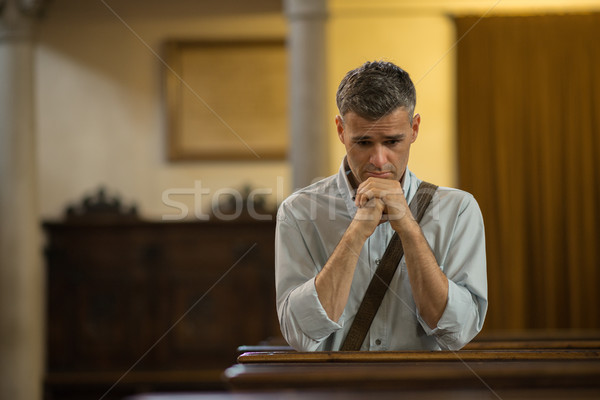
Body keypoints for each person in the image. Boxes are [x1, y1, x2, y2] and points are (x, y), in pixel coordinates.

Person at [275, 61, 487, 351]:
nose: (378, 160)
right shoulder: (298, 212)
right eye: (363, 143)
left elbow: (457, 333)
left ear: (414, 129)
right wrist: (357, 231)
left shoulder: (459, 209)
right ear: (340, 130)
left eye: (392, 141)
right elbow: (301, 335)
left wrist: (409, 227)